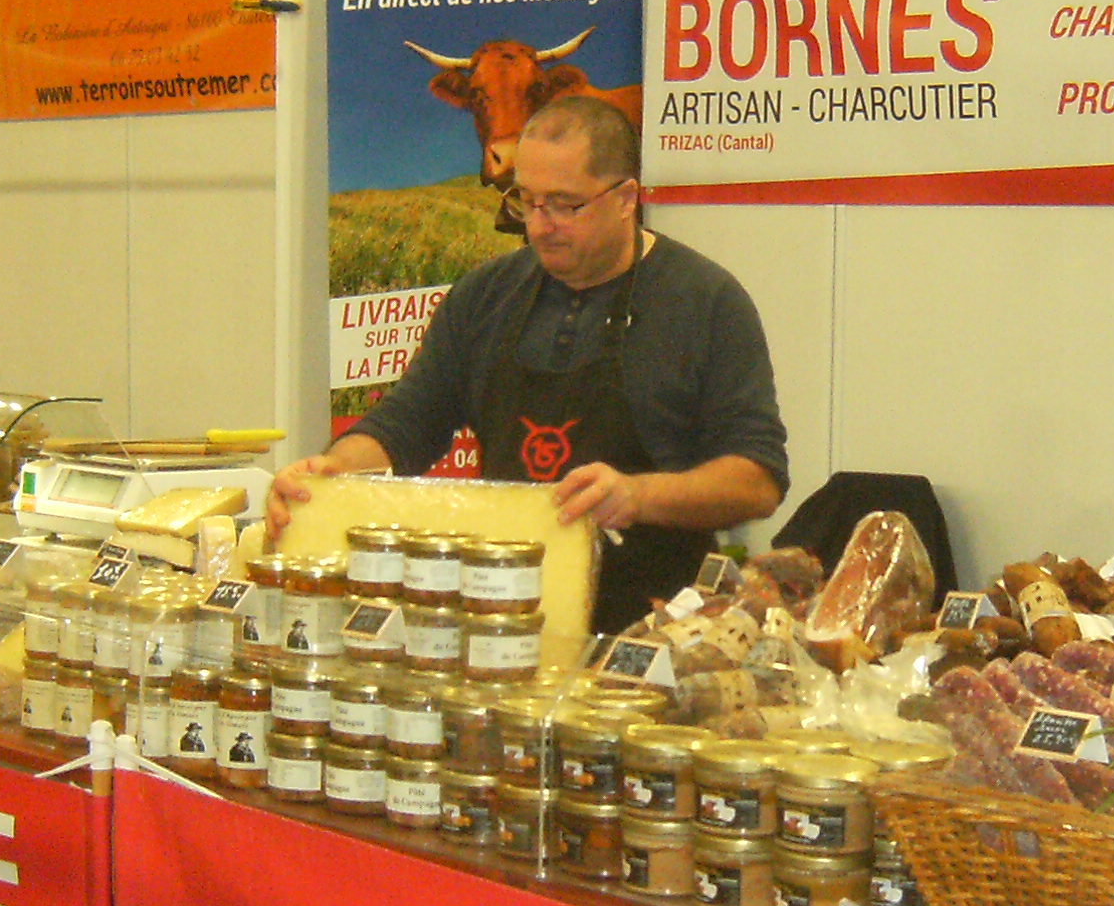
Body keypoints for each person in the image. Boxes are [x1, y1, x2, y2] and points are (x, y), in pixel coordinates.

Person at [270, 93, 789, 633]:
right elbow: (406, 424)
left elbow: (757, 480)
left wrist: (637, 496)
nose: (540, 226)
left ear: (626, 198)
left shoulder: (705, 301)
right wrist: (330, 473)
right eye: (527, 201)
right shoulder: (485, 296)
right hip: (502, 619)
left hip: (652, 630)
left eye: (564, 205)